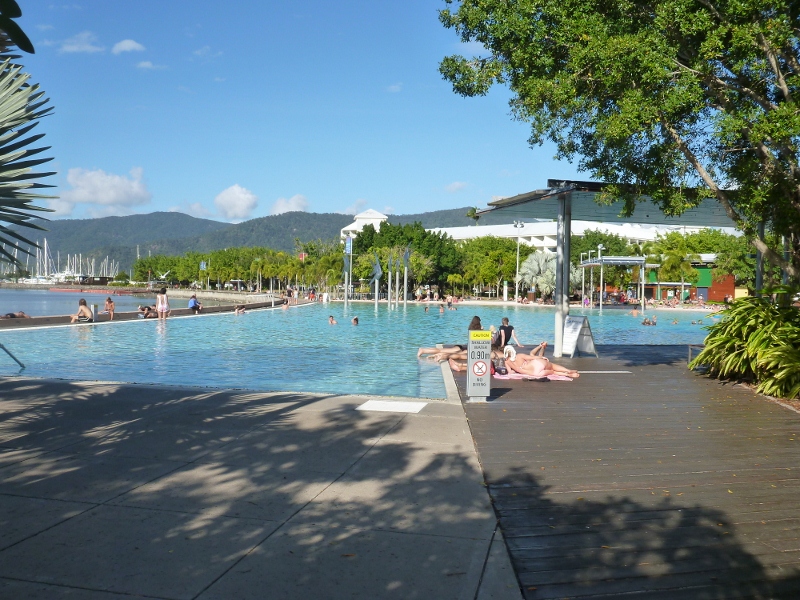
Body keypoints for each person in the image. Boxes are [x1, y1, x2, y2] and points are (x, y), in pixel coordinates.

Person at [502, 345, 579, 378]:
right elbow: (532, 357)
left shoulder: (507, 361)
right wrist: (541, 357)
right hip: (536, 364)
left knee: (553, 372)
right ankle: (568, 370)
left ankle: (567, 374)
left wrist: (516, 370)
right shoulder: (519, 355)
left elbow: (510, 372)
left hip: (535, 373)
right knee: (552, 366)